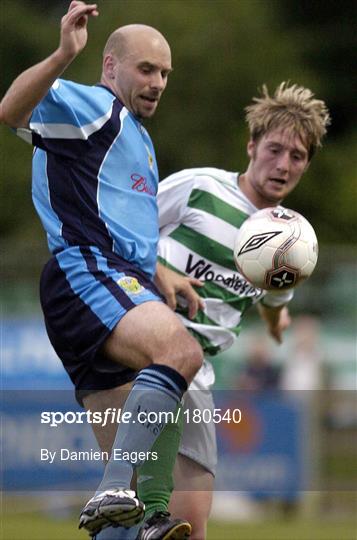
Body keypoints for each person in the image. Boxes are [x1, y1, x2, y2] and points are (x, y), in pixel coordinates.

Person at [0, 2, 204, 539]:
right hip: (87, 273)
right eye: (146, 69)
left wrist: (160, 272)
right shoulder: (95, 108)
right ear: (111, 67)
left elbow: (118, 219)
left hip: (106, 280)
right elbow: (11, 111)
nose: (158, 81)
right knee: (180, 353)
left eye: (164, 73)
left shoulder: (134, 134)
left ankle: (140, 512)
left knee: (123, 512)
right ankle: (131, 497)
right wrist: (64, 54)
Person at [136, 81, 330, 539]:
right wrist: (162, 271)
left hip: (197, 378)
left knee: (190, 527)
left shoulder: (291, 242)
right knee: (141, 514)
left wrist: (277, 323)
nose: (283, 165)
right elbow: (126, 232)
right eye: (275, 149)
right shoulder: (200, 188)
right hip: (142, 350)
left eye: (297, 157)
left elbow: (274, 303)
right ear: (251, 145)